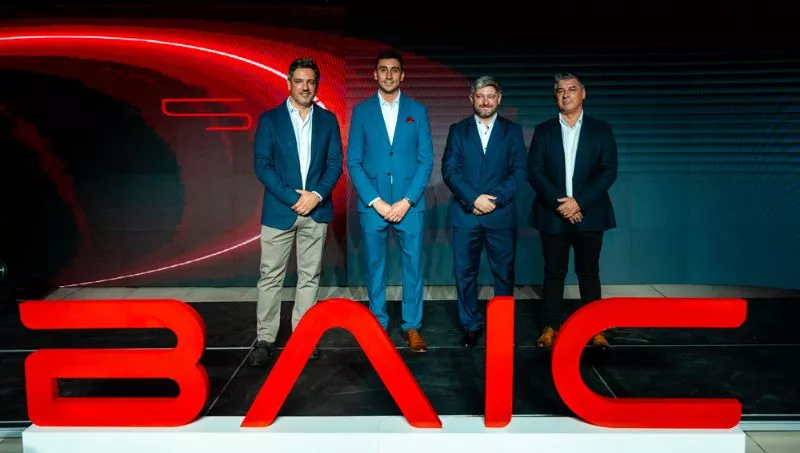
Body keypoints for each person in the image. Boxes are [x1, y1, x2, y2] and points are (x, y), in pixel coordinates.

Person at [249, 57, 344, 366]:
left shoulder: (328, 120)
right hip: (280, 210)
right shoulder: (270, 120)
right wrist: (294, 198)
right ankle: (265, 339)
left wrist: (315, 196)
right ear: (288, 83)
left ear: (316, 85)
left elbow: (335, 164)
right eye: (299, 81)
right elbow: (262, 165)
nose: (305, 87)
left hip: (316, 211)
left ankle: (303, 336)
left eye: (310, 82)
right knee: (270, 277)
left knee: (309, 277)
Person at [347, 49, 434, 352]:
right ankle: (378, 324)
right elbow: (354, 161)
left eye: (394, 70)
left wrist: (407, 200)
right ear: (375, 74)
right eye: (383, 69)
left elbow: (426, 160)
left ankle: (412, 326)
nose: (388, 75)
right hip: (374, 206)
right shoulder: (361, 112)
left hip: (409, 206)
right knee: (375, 268)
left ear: (402, 75)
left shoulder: (417, 111)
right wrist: (376, 201)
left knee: (413, 267)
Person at [527, 72, 618, 350]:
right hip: (552, 214)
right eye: (560, 90)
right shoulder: (543, 130)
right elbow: (535, 171)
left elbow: (608, 171)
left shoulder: (601, 129)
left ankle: (595, 328)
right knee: (553, 272)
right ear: (555, 96)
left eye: (572, 89)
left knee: (589, 272)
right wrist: (562, 204)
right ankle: (550, 325)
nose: (566, 95)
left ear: (583, 93)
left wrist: (579, 203)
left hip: (589, 213)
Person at [441, 75, 527, 347]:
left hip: (500, 215)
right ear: (471, 99)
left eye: (491, 96)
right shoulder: (458, 130)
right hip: (466, 215)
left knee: (504, 274)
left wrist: (494, 200)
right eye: (480, 96)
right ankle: (471, 325)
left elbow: (519, 171)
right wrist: (474, 199)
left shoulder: (512, 131)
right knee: (465, 274)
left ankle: (503, 327)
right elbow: (449, 170)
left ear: (499, 99)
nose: (486, 101)